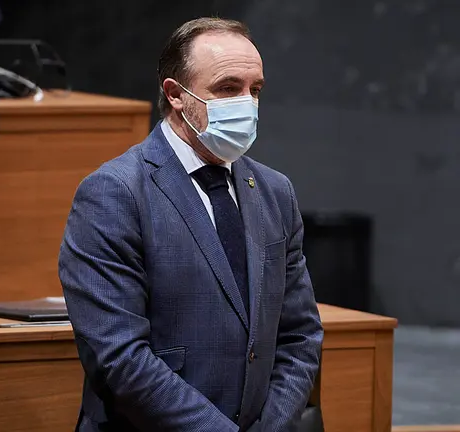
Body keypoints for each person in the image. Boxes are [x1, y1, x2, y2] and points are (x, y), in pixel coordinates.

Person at [59, 18, 323, 432]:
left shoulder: (275, 191)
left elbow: (300, 336)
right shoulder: (114, 193)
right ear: (175, 95)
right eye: (227, 88)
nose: (246, 103)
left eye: (255, 90)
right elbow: (119, 356)